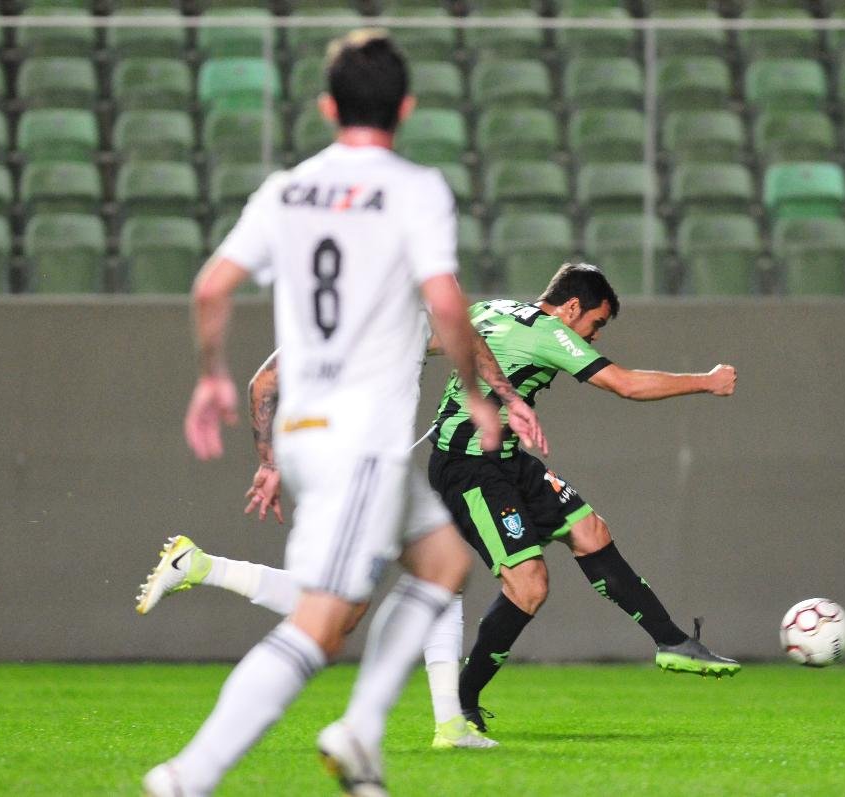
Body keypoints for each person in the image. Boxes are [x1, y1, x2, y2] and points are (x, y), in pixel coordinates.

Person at [141, 29, 536, 797]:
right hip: (359, 439)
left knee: (445, 563)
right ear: (407, 108)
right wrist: (477, 392)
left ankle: (359, 732)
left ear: (327, 107)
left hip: (309, 431)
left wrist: (212, 375)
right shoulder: (415, 188)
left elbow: (211, 287)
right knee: (322, 624)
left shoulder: (286, 189)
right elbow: (446, 302)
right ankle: (189, 774)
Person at [426, 263, 742, 734]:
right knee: (529, 586)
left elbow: (438, 339)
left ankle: (672, 641)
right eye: (596, 323)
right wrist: (706, 381)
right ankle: (462, 702)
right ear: (572, 307)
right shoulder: (549, 331)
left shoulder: (493, 308)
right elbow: (624, 383)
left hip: (507, 457)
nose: (594, 336)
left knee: (589, 530)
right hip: (470, 467)